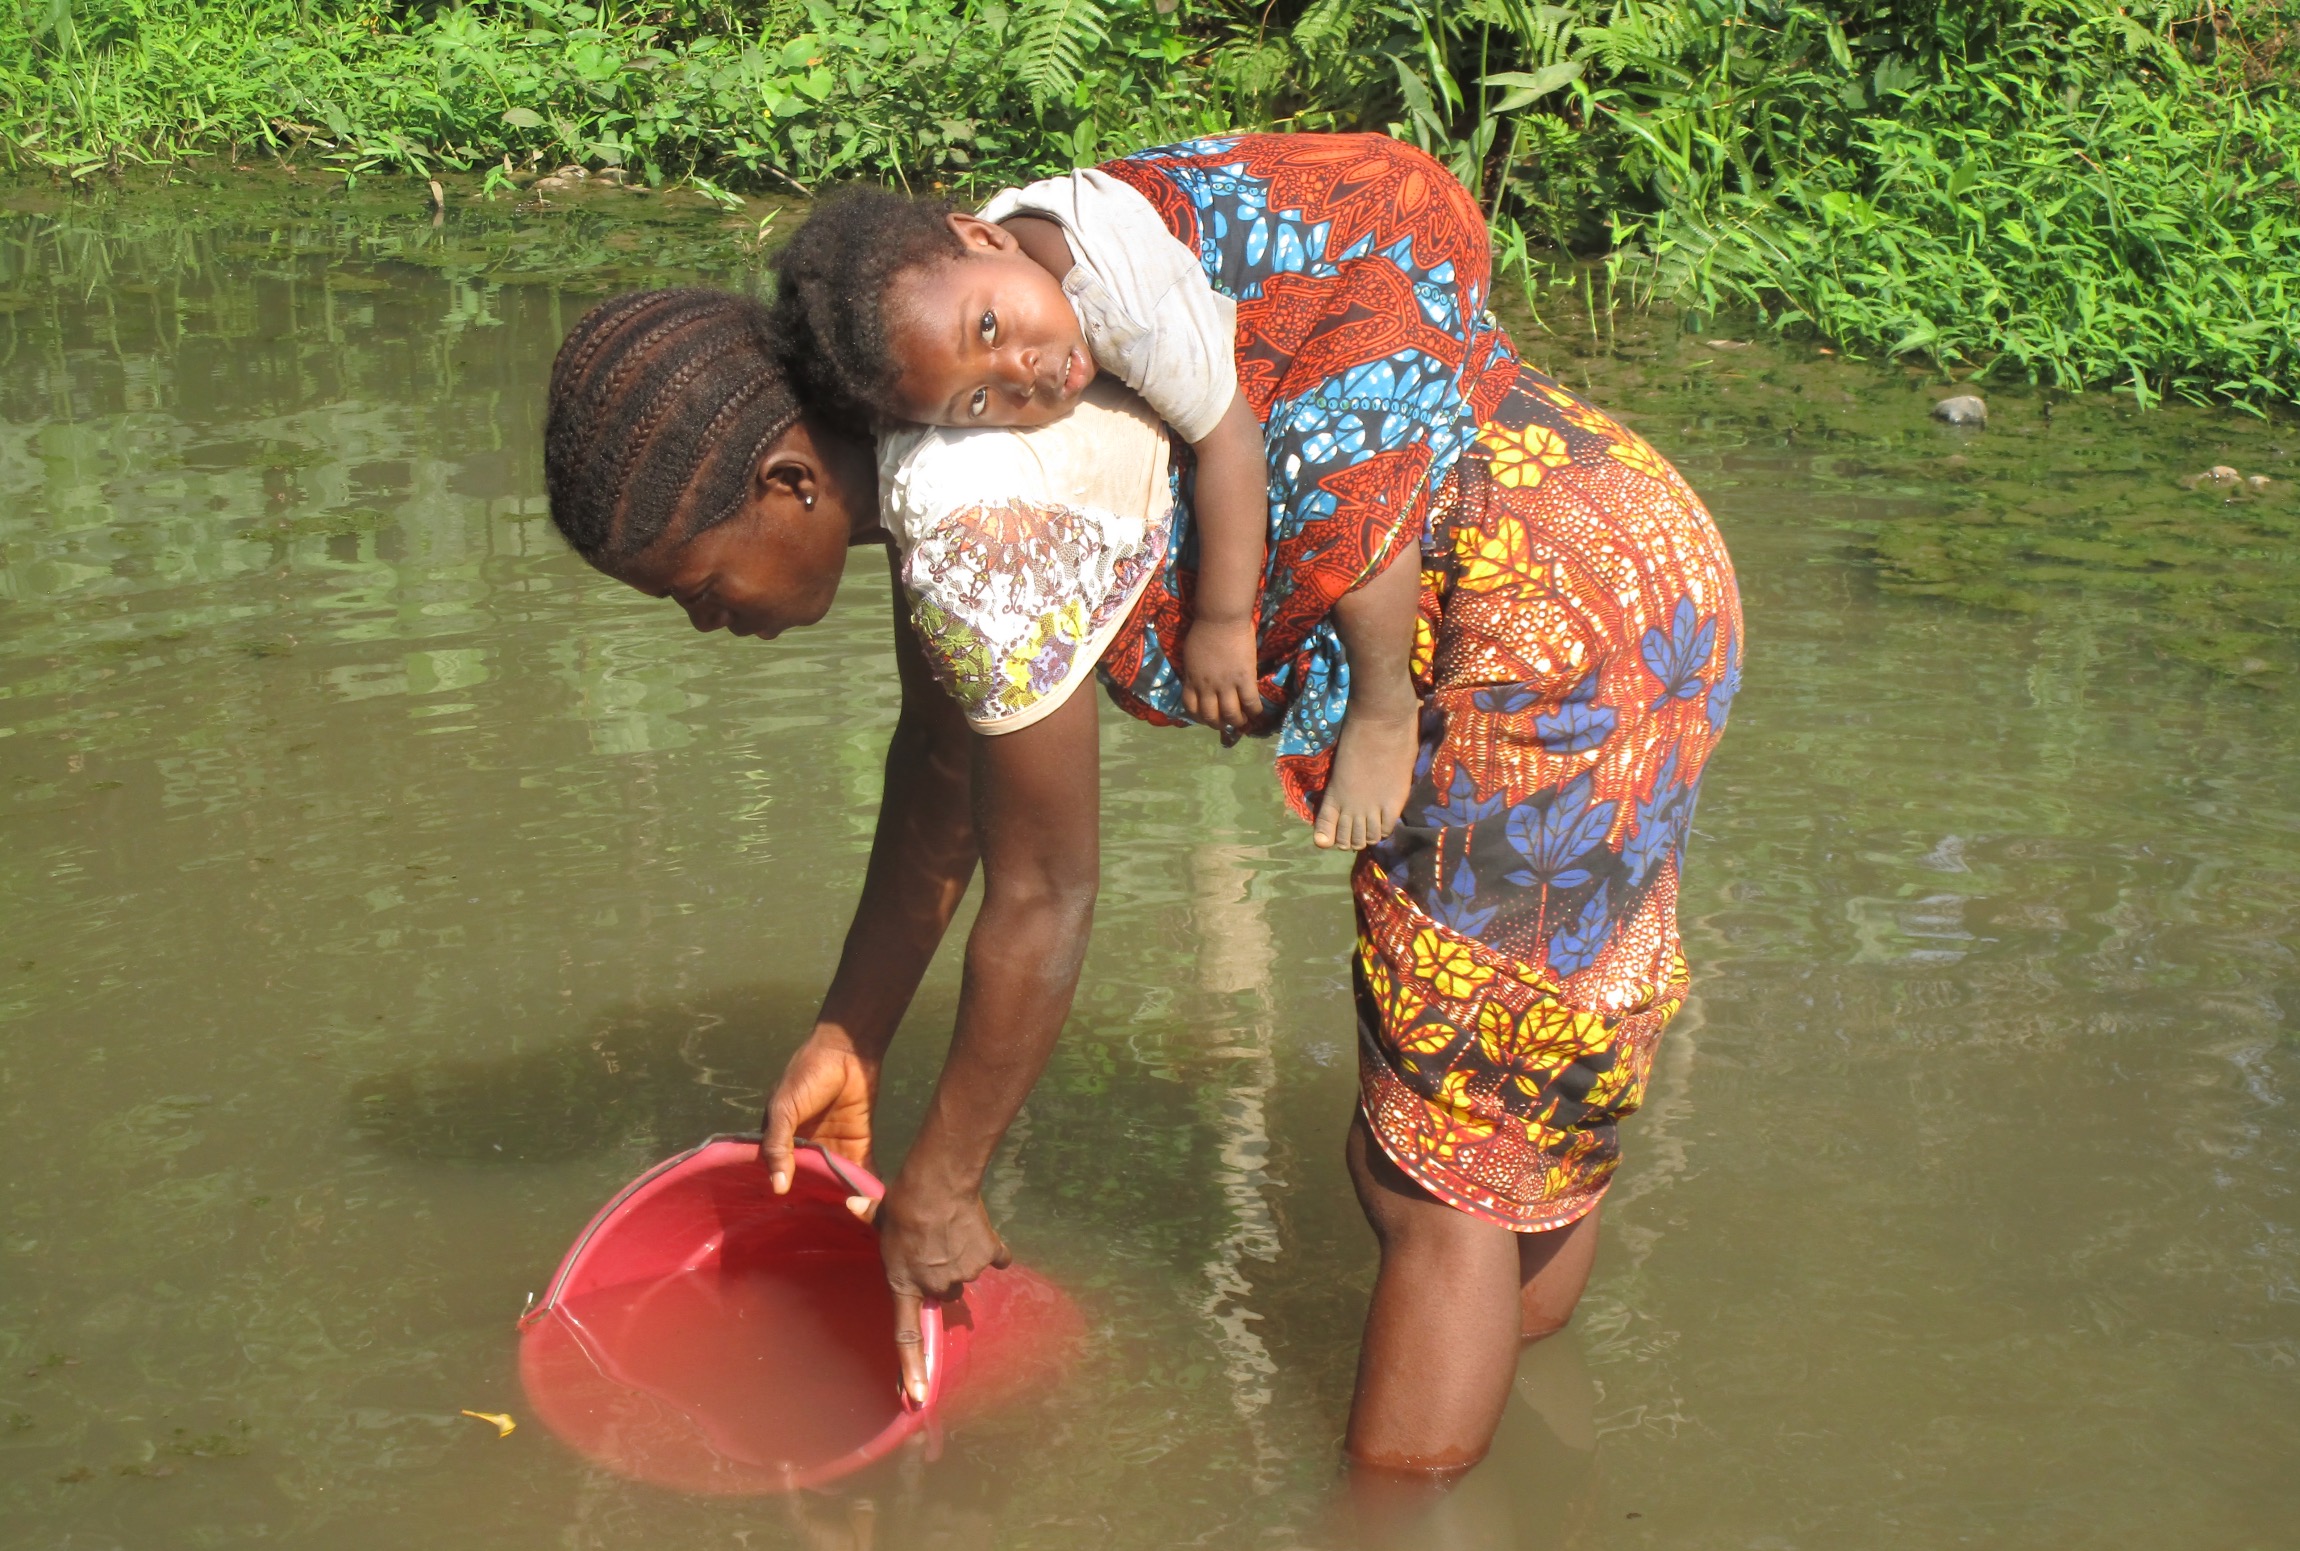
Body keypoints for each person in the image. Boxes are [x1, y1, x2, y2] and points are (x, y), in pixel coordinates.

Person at [539, 132, 1742, 1475]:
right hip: (1602, 531)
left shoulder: (979, 525)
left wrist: (939, 1186)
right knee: (1489, 1120)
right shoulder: (937, 417)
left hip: (1539, 625)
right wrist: (850, 1035)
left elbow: (1047, 895)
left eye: (700, 585)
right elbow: (942, 774)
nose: (710, 622)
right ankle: (1509, 1493)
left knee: (1429, 1183)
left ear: (789, 487)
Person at [769, 163, 1423, 851]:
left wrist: (1222, 623)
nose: (1021, 372)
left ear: (982, 236)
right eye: (979, 403)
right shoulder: (966, 276)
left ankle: (1384, 702)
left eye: (990, 328)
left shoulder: (1123, 310)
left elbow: (1230, 440)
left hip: (1374, 236)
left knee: (1322, 455)